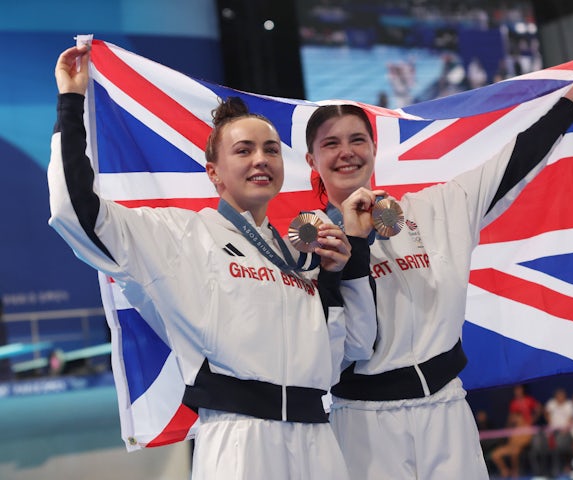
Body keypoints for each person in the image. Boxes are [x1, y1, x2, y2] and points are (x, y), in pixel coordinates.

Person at [49, 44, 377, 480]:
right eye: (243, 150)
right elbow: (77, 212)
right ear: (213, 172)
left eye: (271, 149)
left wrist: (341, 273)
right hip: (241, 441)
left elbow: (354, 346)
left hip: (317, 438)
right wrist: (71, 103)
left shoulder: (300, 258)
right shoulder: (180, 235)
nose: (261, 159)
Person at [303, 61, 573, 479]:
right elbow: (334, 347)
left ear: (374, 148)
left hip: (446, 411)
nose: (347, 152)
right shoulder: (308, 246)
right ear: (312, 158)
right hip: (364, 423)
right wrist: (352, 246)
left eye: (358, 139)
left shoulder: (437, 209)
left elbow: (516, 158)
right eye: (332, 144)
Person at [529, 388, 573, 477]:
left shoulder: (569, 404)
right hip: (552, 432)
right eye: (558, 396)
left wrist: (564, 430)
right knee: (540, 444)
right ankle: (543, 472)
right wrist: (549, 421)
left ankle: (556, 471)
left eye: (562, 396)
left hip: (565, 432)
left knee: (557, 446)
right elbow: (546, 412)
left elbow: (570, 419)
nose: (560, 398)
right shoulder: (551, 403)